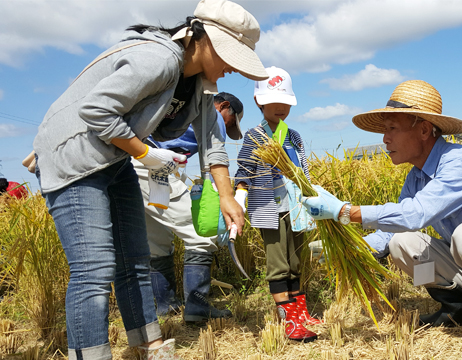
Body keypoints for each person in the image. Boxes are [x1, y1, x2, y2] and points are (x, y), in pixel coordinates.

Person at [31, 0, 267, 358]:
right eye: (231, 55)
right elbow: (95, 109)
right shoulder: (159, 59)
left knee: (135, 260)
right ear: (203, 39)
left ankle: (148, 346)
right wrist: (145, 154)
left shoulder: (201, 89)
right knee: (94, 269)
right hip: (74, 157)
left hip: (115, 158)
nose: (233, 68)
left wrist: (226, 195)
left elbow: (213, 147)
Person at [303, 80, 462, 351]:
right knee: (401, 244)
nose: (385, 139)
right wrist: (353, 250)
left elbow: (415, 214)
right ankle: (455, 306)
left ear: (424, 129)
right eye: (384, 130)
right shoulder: (416, 177)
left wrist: (344, 212)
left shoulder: (459, 162)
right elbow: (393, 230)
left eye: (392, 129)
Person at [135, 93, 244, 322]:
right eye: (231, 121)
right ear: (224, 107)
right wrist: (221, 197)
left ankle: (167, 306)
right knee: (201, 236)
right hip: (156, 166)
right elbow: (212, 163)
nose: (227, 126)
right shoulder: (212, 117)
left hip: (133, 162)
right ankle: (196, 307)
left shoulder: (180, 108)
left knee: (157, 243)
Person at [234, 66, 319, 343]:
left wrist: (312, 201)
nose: (281, 107)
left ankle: (300, 315)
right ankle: (289, 323)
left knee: (296, 261)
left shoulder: (294, 136)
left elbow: (304, 172)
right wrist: (239, 199)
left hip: (296, 206)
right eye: (273, 102)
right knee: (279, 263)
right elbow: (244, 170)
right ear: (259, 102)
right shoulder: (255, 136)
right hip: (268, 208)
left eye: (285, 102)